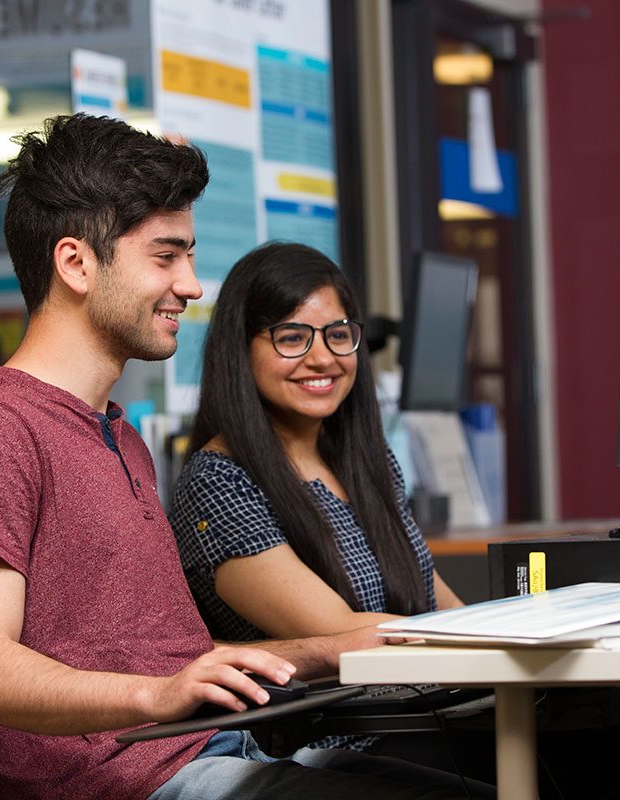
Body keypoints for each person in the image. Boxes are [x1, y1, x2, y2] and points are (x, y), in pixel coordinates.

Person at [0, 113, 491, 800]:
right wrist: (155, 698)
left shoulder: (115, 436)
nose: (190, 284)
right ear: (75, 263)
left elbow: (171, 661)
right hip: (133, 782)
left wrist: (332, 650)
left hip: (215, 754)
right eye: (166, 256)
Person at [169, 242, 489, 774]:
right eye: (291, 338)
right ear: (241, 351)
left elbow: (435, 599)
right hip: (340, 744)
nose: (323, 358)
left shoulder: (364, 459)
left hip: (422, 711)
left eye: (338, 335)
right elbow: (344, 637)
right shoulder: (219, 483)